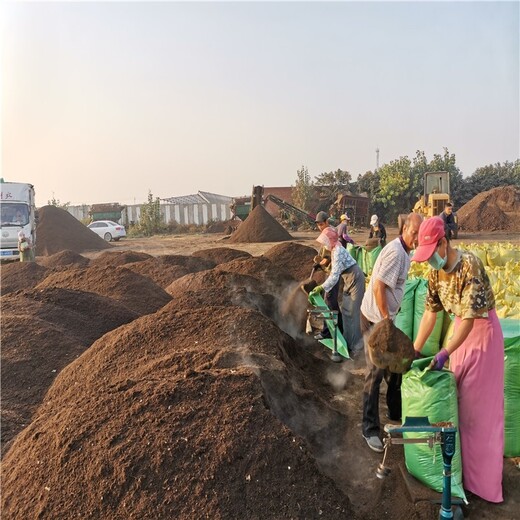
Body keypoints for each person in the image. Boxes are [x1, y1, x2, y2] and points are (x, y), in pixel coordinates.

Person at [412, 216, 503, 503]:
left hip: (482, 335)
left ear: (443, 242)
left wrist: (444, 353)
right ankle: (460, 476)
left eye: (431, 254)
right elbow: (431, 312)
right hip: (459, 338)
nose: (429, 262)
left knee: (479, 414)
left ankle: (484, 487)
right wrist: (414, 349)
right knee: (457, 407)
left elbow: (468, 320)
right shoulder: (434, 274)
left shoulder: (469, 265)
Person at [360, 212, 423, 452]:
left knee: (395, 367)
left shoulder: (405, 252)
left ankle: (395, 412)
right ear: (405, 229)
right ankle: (369, 429)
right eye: (414, 233)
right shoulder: (397, 253)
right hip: (376, 320)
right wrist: (386, 321)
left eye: (420, 234)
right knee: (374, 374)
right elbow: (378, 286)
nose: (417, 238)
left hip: (385, 319)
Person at [309, 222, 365, 356]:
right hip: (348, 279)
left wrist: (321, 287)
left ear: (331, 240)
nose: (325, 243)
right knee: (346, 311)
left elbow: (334, 275)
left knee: (353, 312)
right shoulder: (334, 249)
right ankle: (347, 342)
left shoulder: (338, 251)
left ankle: (356, 347)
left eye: (326, 240)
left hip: (355, 278)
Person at [312, 211, 343, 339]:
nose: (320, 226)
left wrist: (323, 263)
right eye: (318, 225)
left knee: (329, 302)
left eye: (321, 224)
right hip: (331, 271)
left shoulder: (330, 233)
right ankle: (339, 328)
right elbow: (326, 256)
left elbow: (330, 256)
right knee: (331, 302)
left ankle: (328, 332)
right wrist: (320, 263)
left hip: (333, 273)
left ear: (326, 222)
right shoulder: (327, 234)